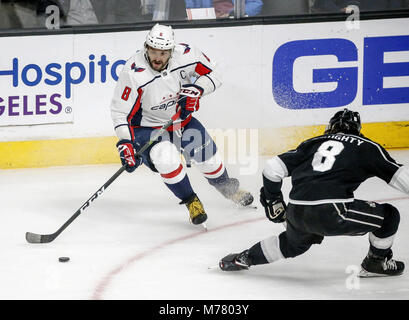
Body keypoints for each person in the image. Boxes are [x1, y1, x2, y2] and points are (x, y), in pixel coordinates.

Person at [219, 108, 408, 277]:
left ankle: (245, 257)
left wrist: (273, 200)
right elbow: (401, 178)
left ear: (330, 127)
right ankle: (376, 262)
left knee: (292, 244)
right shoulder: (367, 147)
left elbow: (271, 168)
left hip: (297, 211)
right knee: (390, 216)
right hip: (333, 211)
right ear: (357, 130)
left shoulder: (312, 143)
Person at [109, 24, 254, 227]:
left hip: (181, 121)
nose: (157, 58)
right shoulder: (133, 72)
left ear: (171, 50)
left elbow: (216, 73)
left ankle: (227, 188)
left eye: (163, 53)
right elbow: (119, 112)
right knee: (165, 158)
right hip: (147, 128)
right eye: (153, 51)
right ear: (146, 48)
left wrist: (198, 89)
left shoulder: (186, 54)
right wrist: (126, 143)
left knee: (209, 161)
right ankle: (191, 201)